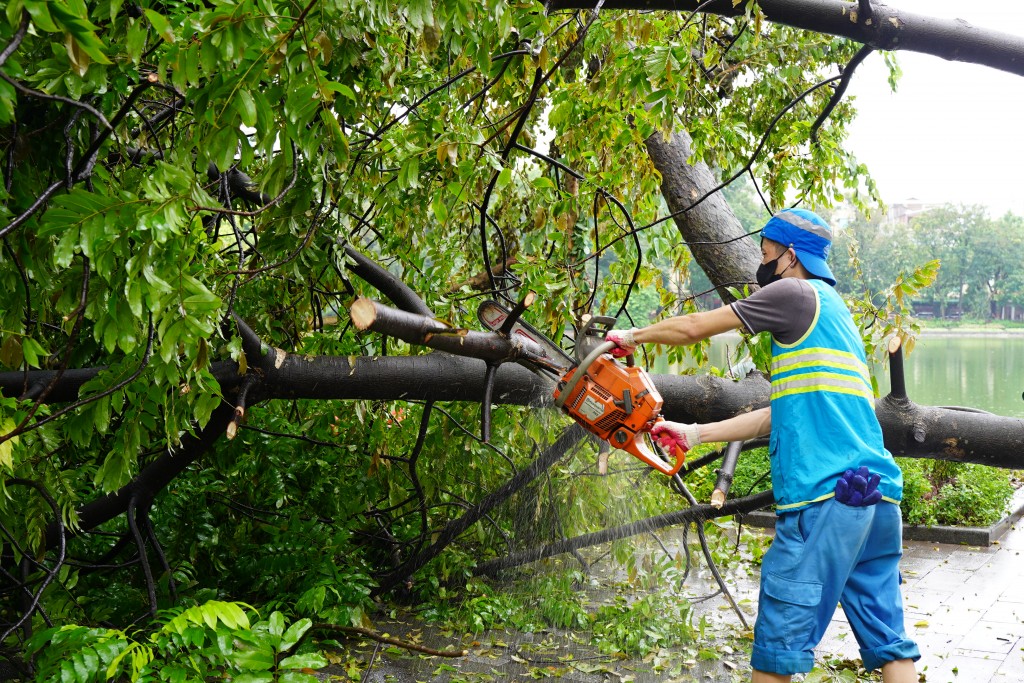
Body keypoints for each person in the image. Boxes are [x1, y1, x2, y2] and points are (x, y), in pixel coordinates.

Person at [604, 208, 920, 683]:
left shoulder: (794, 293)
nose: (763, 262)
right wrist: (693, 433)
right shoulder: (838, 315)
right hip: (876, 500)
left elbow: (694, 326)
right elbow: (783, 414)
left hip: (825, 500)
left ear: (790, 256)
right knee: (888, 642)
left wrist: (630, 337)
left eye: (768, 253)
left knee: (778, 647)